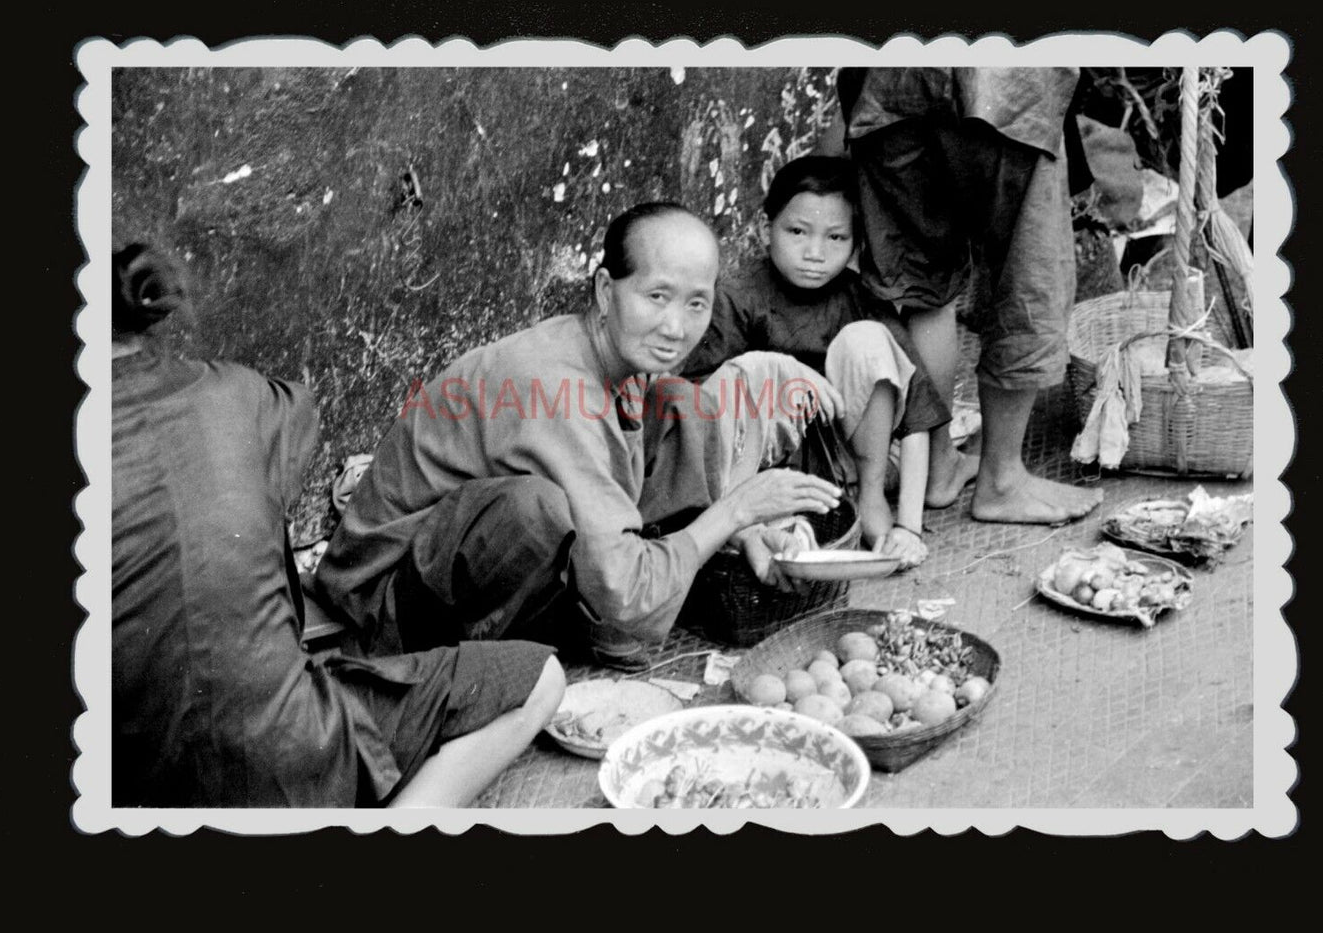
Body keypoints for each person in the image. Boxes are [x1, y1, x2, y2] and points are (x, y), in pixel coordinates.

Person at [111, 242, 565, 808]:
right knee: (540, 676)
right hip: (294, 753)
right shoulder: (238, 393)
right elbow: (294, 413)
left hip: (132, 777)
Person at [314, 202, 844, 671]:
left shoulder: (623, 361)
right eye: (657, 295)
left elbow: (625, 485)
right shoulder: (553, 381)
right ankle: (439, 669)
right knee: (534, 511)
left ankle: (586, 620)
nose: (676, 327)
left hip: (457, 570)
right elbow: (624, 588)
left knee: (682, 407)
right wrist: (736, 511)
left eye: (696, 304)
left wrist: (744, 535)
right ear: (605, 291)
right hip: (383, 600)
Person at [835, 67, 1105, 524]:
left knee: (925, 287)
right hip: (1008, 89)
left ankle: (938, 468)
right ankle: (1002, 479)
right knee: (1027, 278)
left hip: (891, 85)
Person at [679, 155, 953, 568]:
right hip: (761, 466)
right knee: (750, 370)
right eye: (797, 231)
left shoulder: (861, 296)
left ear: (855, 243)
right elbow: (704, 404)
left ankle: (871, 500)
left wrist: (909, 528)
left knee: (867, 340)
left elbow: (915, 417)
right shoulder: (737, 295)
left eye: (836, 238)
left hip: (848, 462)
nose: (814, 253)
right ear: (764, 229)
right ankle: (756, 522)